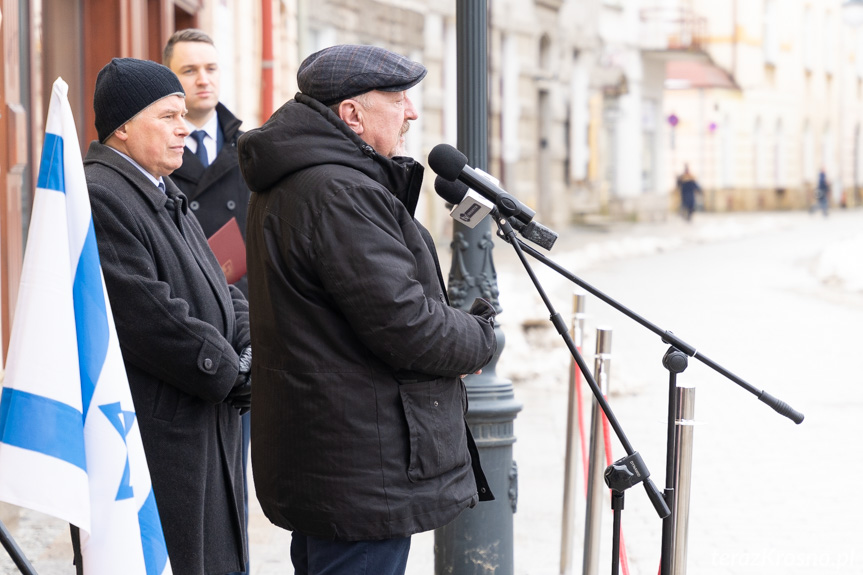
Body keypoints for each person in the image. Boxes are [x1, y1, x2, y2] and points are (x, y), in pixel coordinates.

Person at [238, 44, 497, 575]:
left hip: (333, 459)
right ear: (352, 114)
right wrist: (478, 338)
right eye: (398, 97)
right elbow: (406, 325)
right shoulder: (339, 192)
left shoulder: (309, 179)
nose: (411, 112)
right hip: (357, 468)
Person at [83, 57, 251, 575]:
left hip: (203, 427)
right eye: (168, 116)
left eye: (184, 115)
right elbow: (152, 317)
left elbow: (225, 294)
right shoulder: (102, 195)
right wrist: (234, 372)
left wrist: (250, 347)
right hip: (159, 441)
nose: (185, 127)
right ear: (124, 127)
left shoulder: (162, 188)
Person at [164, 29, 252, 575]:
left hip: (238, 325)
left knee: (231, 471)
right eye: (189, 70)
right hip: (179, 323)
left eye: (212, 68)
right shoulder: (154, 150)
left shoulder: (250, 147)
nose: (204, 80)